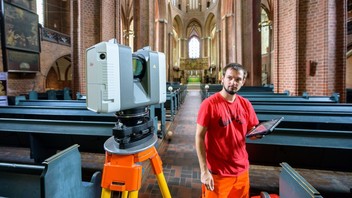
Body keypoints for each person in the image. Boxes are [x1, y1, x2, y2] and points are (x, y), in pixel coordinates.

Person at [195, 63, 262, 198]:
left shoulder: (246, 104)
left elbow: (251, 131)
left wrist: (258, 133)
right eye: (230, 78)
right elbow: (199, 137)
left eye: (238, 79)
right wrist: (204, 171)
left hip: (242, 171)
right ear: (222, 78)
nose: (233, 82)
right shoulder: (209, 104)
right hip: (218, 173)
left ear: (243, 81)